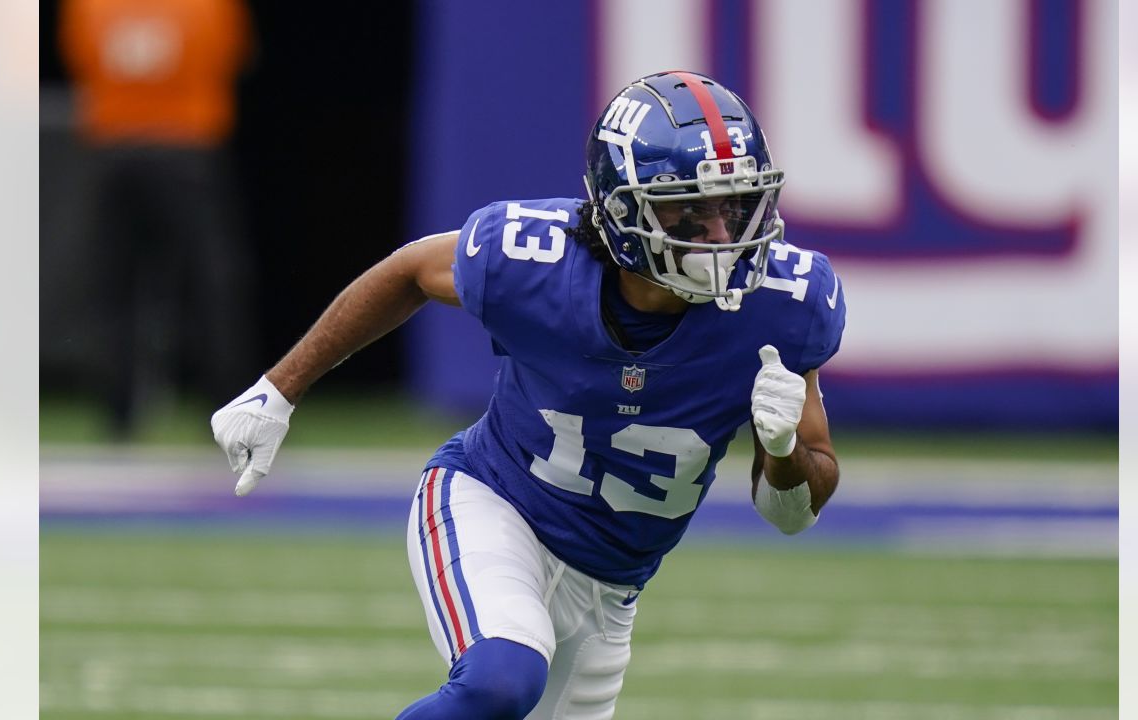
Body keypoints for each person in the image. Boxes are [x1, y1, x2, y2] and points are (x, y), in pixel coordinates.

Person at [211, 71, 846, 720]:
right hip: (497, 504)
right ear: (623, 211)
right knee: (500, 680)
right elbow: (409, 272)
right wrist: (278, 391)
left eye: (735, 205)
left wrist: (783, 447)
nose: (720, 236)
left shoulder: (782, 307)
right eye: (689, 210)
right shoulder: (535, 259)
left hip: (611, 590)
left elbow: (791, 513)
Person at [61, 0, 255, 438]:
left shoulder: (91, 7)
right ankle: (228, 407)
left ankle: (119, 412)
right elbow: (231, 57)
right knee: (210, 282)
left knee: (114, 283)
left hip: (114, 146)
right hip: (187, 144)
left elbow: (80, 59)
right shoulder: (209, 7)